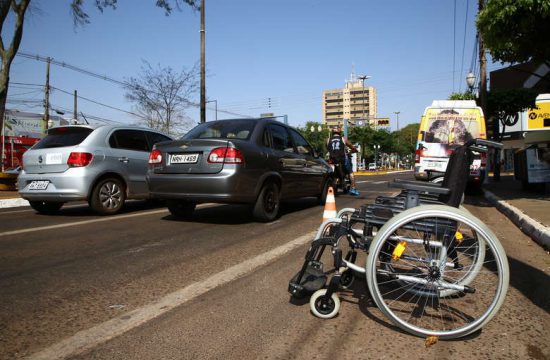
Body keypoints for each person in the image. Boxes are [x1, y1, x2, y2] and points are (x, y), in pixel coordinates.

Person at [327, 125, 360, 196]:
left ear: (332, 132)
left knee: (331, 174)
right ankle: (353, 189)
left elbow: (328, 149)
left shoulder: (327, 140)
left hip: (332, 160)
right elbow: (351, 146)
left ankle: (331, 187)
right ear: (339, 131)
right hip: (341, 160)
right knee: (350, 172)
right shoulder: (343, 139)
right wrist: (355, 150)